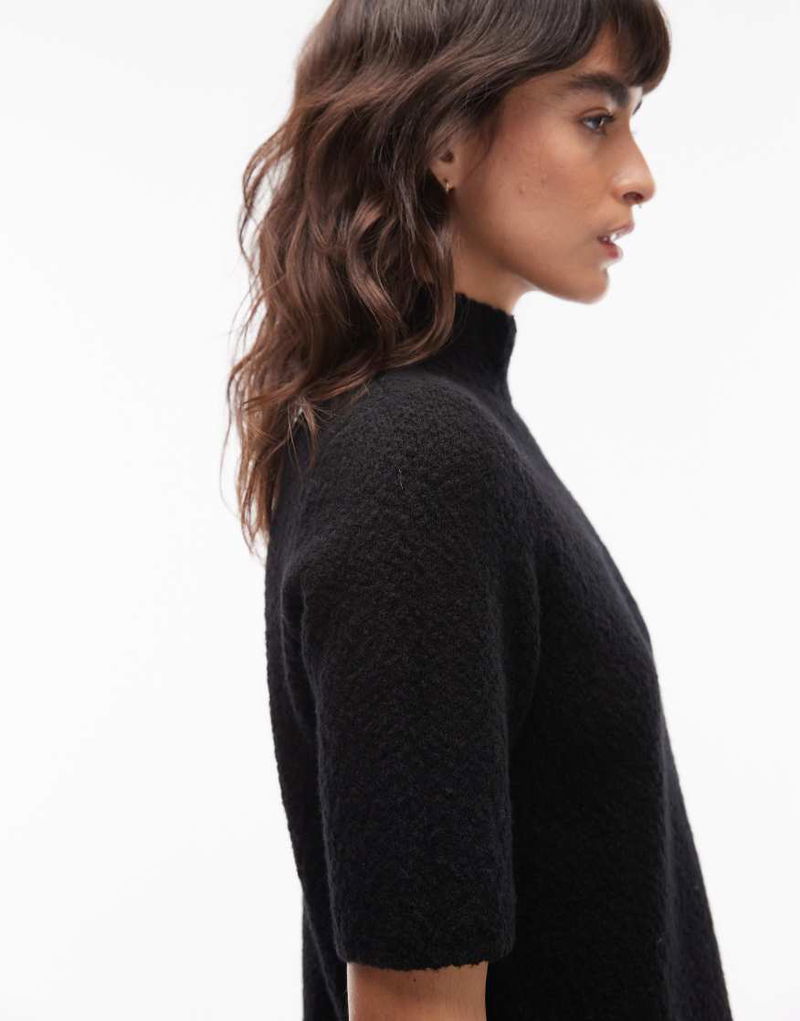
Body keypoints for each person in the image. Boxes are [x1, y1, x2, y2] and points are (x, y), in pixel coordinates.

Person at [225, 1, 735, 1018]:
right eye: (595, 119)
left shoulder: (455, 435)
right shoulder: (414, 460)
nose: (638, 175)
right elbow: (414, 1002)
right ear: (445, 140)